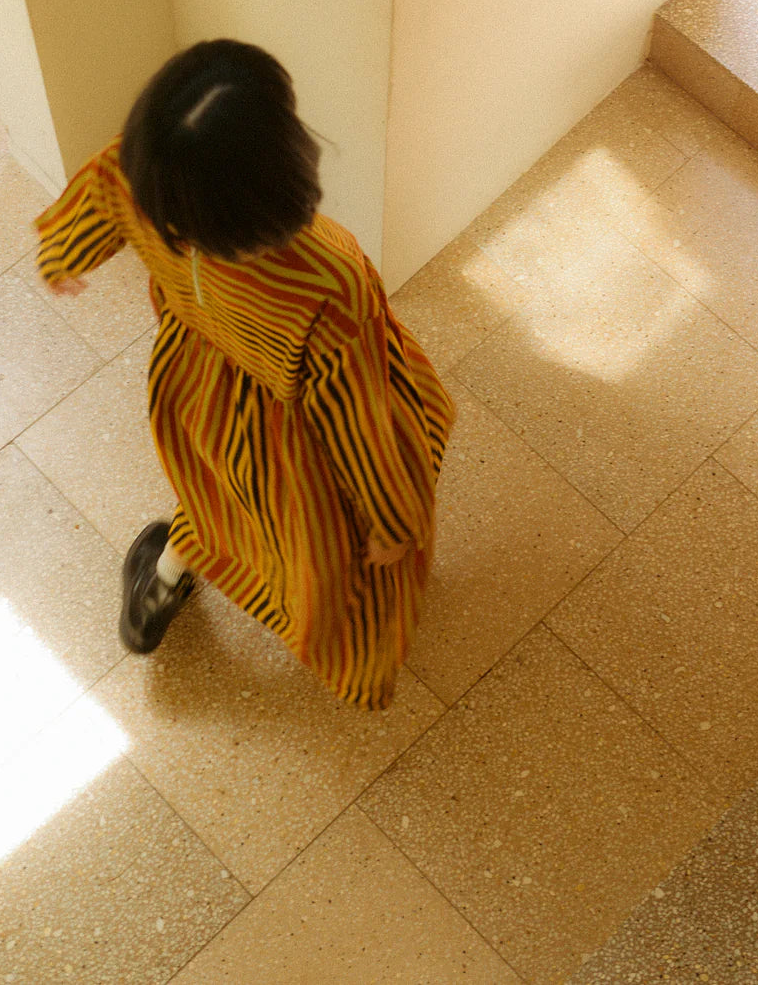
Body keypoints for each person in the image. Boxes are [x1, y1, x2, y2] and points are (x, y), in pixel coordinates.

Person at [34, 40, 455, 711]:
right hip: (294, 440)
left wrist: (64, 255)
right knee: (315, 544)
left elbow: (96, 198)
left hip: (195, 387)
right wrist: (391, 516)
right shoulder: (327, 277)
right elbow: (360, 418)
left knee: (216, 499)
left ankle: (162, 583)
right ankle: (349, 654)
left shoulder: (146, 176)